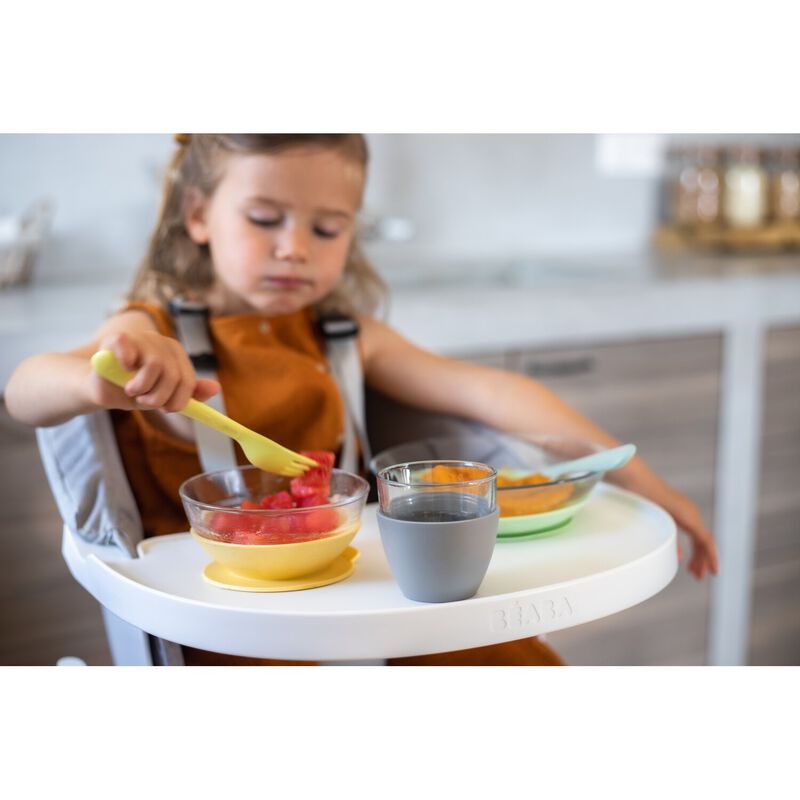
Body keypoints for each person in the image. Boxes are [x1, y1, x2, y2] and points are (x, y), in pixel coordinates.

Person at [5, 134, 719, 666]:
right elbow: (23, 390)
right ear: (198, 214)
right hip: (230, 630)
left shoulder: (344, 338)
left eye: (326, 229)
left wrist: (649, 485)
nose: (294, 249)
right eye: (264, 219)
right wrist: (94, 380)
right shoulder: (148, 328)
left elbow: (500, 393)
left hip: (364, 600)